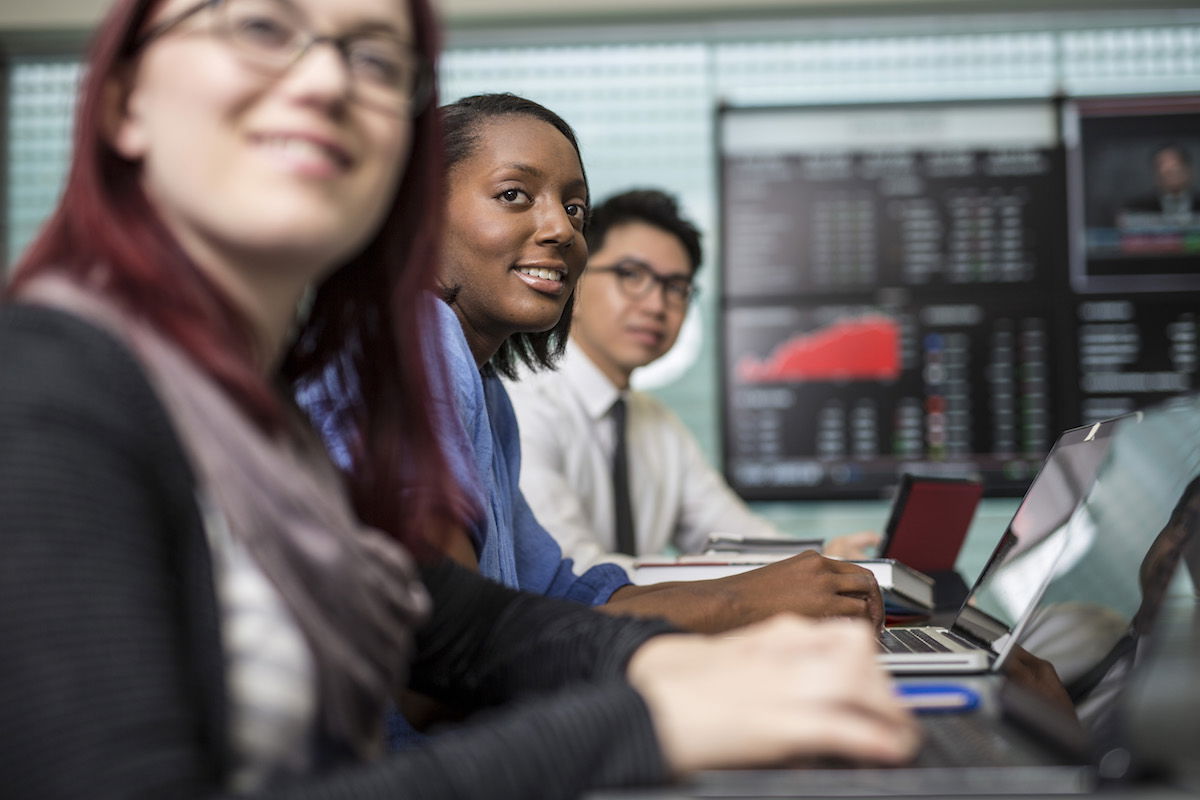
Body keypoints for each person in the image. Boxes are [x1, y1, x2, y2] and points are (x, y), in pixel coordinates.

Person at [0, 1, 920, 798]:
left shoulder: (258, 427)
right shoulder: (57, 389)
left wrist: (719, 663)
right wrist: (658, 716)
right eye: (261, 27)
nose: (324, 79)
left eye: (376, 60)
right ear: (125, 103)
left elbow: (478, 631)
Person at [388, 93, 884, 635]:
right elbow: (452, 646)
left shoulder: (486, 388)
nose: (562, 229)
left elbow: (563, 588)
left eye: (576, 209)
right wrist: (742, 599)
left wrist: (801, 576)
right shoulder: (419, 351)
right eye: (514, 194)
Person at [505, 188, 878, 574]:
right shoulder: (521, 405)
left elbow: (730, 535)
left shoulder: (657, 423)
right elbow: (574, 573)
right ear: (574, 282)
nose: (656, 305)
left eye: (676, 287)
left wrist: (822, 560)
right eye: (631, 275)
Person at [1119, 143, 1198, 224]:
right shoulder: (1137, 208)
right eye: (1162, 165)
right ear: (1155, 173)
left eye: (1176, 165)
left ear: (1189, 170)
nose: (1169, 169)